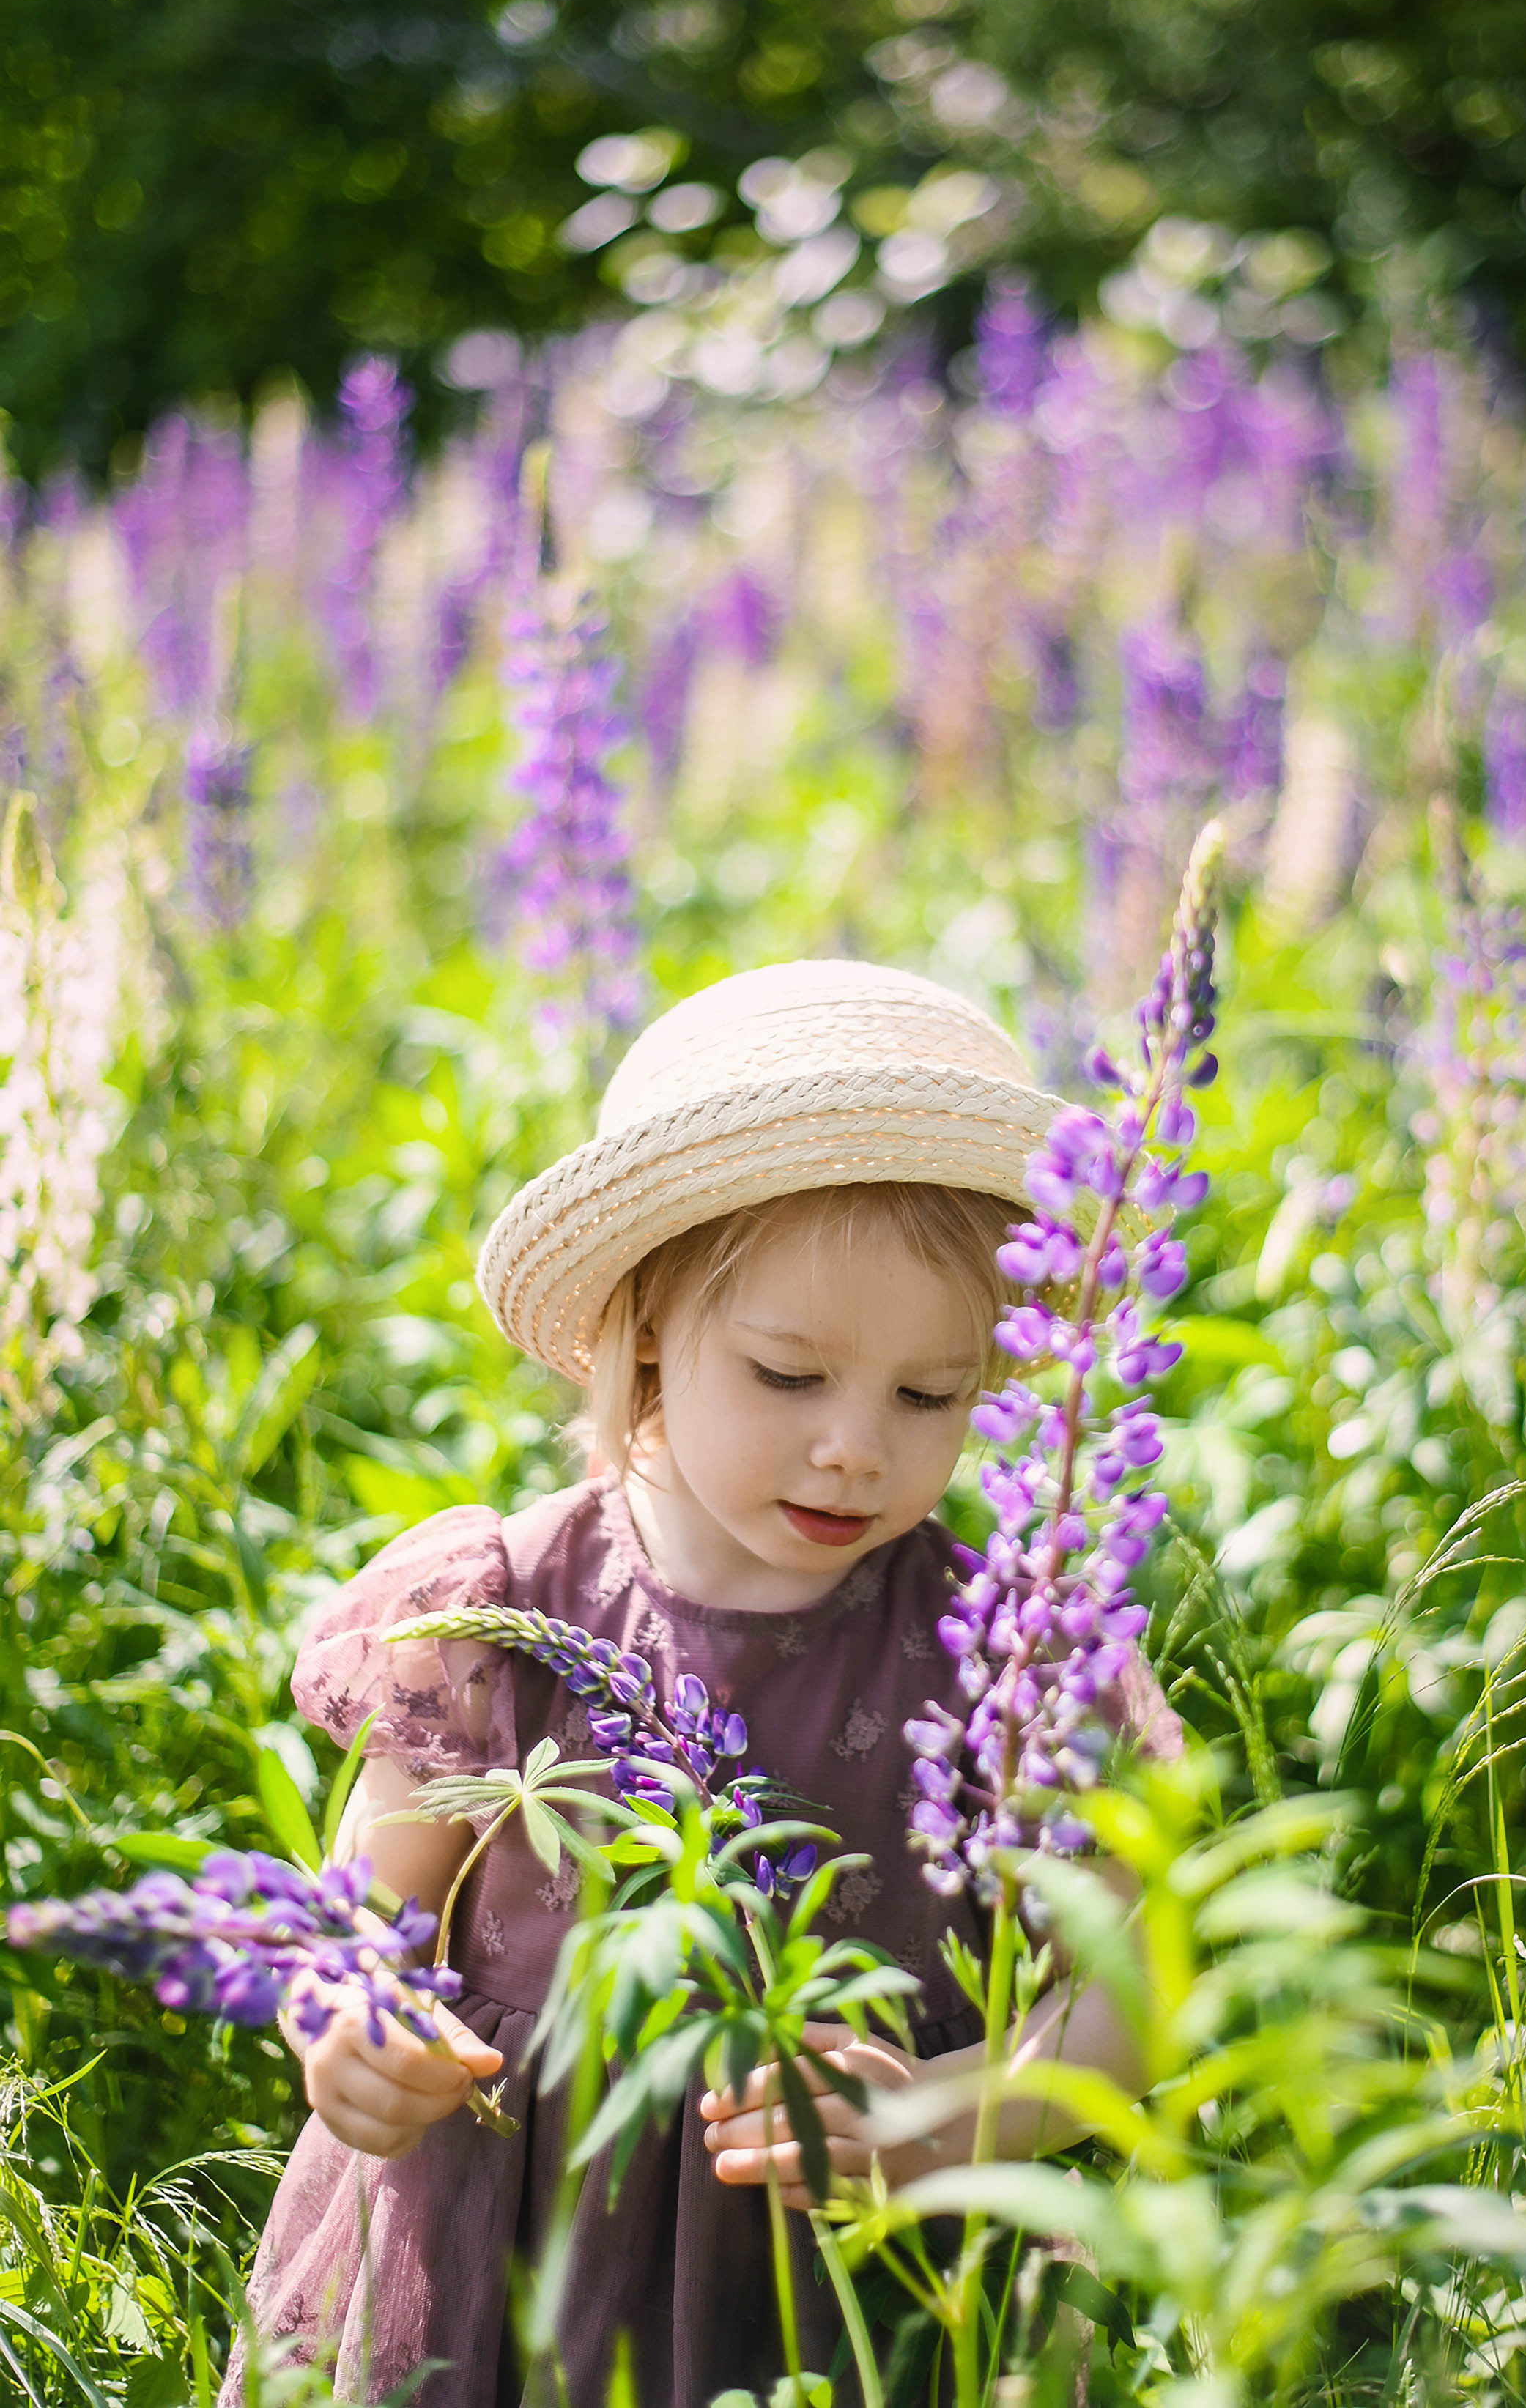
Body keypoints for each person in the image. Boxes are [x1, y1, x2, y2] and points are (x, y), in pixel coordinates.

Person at [228, 960, 1177, 2407]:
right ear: (650, 1321)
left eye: (930, 1395)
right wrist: (346, 2019)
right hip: (494, 2260)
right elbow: (371, 1889)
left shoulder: (1002, 1643)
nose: (856, 1445)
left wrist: (941, 2113)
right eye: (790, 1375)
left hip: (834, 2297)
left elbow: (1137, 1977)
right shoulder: (500, 1603)